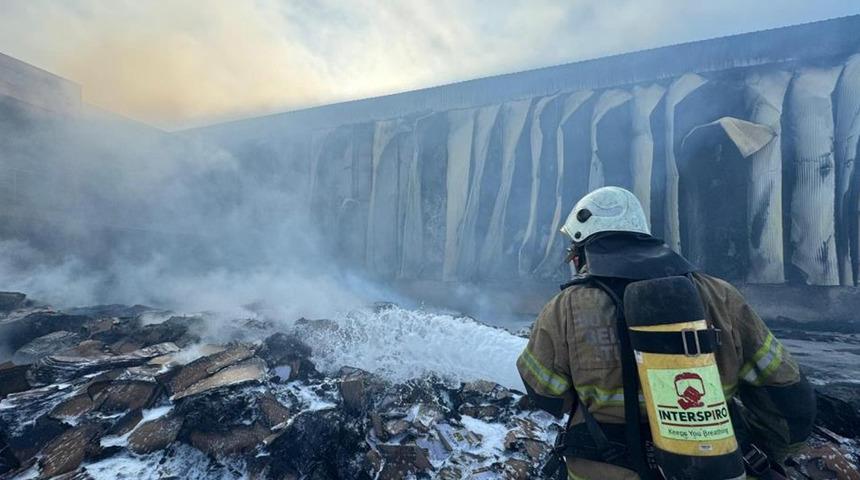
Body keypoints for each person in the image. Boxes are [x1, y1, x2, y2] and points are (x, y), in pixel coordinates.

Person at [517, 186, 815, 480]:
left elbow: (546, 394)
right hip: (713, 467)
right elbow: (786, 390)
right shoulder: (719, 295)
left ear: (582, 252)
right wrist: (759, 451)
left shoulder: (565, 307)